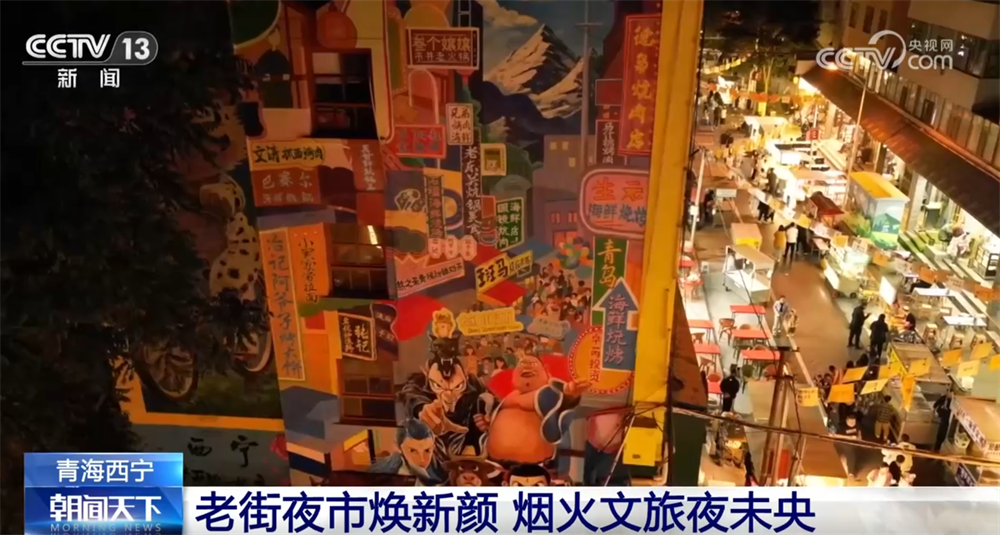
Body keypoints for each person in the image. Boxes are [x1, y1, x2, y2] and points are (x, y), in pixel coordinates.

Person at [839, 413, 861, 479]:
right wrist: (849, 438)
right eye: (850, 422)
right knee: (851, 455)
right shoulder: (841, 426)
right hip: (844, 443)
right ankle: (851, 473)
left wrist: (860, 436)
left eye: (853, 422)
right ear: (847, 421)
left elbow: (859, 430)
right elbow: (836, 435)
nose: (852, 424)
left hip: (854, 443)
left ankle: (852, 467)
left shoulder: (857, 424)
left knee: (855, 454)